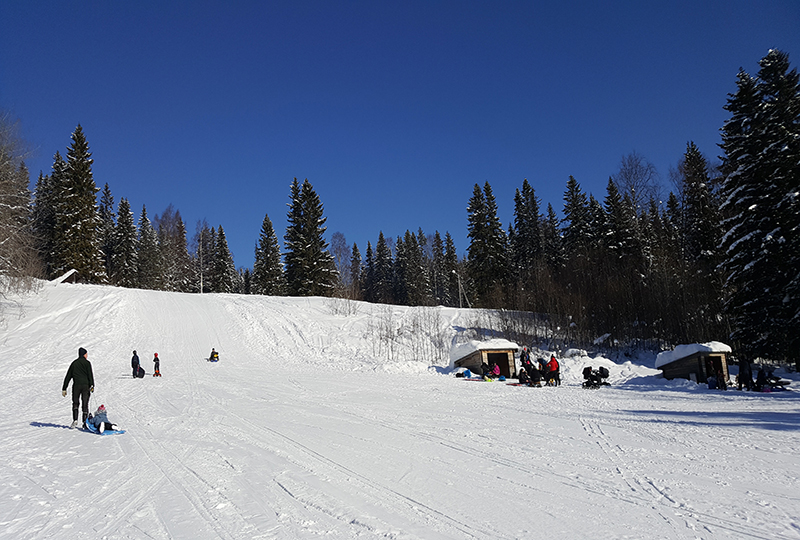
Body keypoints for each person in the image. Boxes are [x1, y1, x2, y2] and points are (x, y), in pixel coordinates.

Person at [62, 347, 94, 428]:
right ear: (84, 354)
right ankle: (84, 422)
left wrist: (64, 388)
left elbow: (68, 376)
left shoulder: (74, 363)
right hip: (85, 386)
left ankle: (75, 420)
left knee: (75, 403)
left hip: (76, 386)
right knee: (85, 403)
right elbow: (90, 375)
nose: (87, 356)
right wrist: (92, 385)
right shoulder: (87, 363)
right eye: (86, 354)